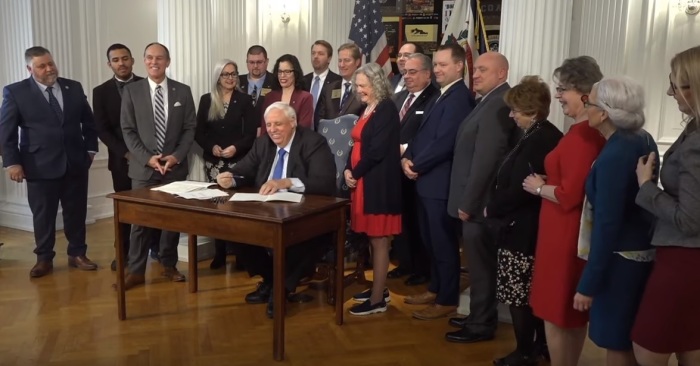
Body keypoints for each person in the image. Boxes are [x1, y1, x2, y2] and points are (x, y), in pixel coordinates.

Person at [216, 102, 336, 318]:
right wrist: (229, 178)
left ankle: (281, 290)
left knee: (303, 238)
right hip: (266, 212)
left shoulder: (313, 143)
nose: (272, 129)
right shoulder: (263, 143)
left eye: (278, 124)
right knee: (235, 230)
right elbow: (243, 171)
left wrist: (287, 182)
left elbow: (324, 182)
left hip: (305, 213)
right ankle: (272, 281)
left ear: (293, 123)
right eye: (269, 124)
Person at [523, 56, 606, 366]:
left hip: (564, 233)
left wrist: (538, 187)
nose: (557, 96)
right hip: (566, 231)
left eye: (562, 90)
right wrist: (550, 181)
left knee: (556, 312)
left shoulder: (583, 136)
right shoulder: (584, 132)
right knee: (568, 314)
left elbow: (571, 195)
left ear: (583, 92)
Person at [572, 77, 657, 366]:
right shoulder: (640, 138)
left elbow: (607, 224)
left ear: (604, 113)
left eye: (589, 102)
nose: (586, 107)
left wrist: (588, 284)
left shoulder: (615, 154)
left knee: (615, 338)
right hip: (638, 250)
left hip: (620, 259)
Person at [483, 76, 563, 364]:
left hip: (524, 228)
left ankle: (525, 351)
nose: (511, 114)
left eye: (515, 110)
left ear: (530, 110)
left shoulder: (542, 137)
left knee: (519, 294)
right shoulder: (535, 134)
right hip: (521, 225)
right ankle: (537, 346)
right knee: (523, 292)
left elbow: (522, 186)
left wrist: (492, 208)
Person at [0, 45, 99, 278]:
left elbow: (89, 122)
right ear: (29, 68)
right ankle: (44, 258)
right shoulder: (15, 92)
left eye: (50, 63)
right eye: (41, 66)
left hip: (75, 162)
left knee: (76, 212)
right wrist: (12, 163)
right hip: (38, 164)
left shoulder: (73, 87)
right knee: (43, 215)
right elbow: (6, 132)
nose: (48, 69)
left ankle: (77, 254)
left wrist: (91, 149)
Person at [632, 45, 700, 366]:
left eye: (675, 85)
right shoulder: (694, 130)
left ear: (694, 87)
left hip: (684, 260)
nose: (670, 93)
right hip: (687, 259)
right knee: (690, 345)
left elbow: (689, 219)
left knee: (649, 346)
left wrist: (646, 187)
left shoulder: (697, 142)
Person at [445, 51, 518, 342]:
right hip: (475, 202)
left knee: (482, 266)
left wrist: (469, 202)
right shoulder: (488, 100)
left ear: (502, 73)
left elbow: (487, 159)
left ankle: (482, 324)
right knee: (476, 265)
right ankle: (476, 316)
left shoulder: (501, 103)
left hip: (480, 203)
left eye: (483, 71)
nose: (475, 75)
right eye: (475, 71)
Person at [401, 43, 476, 320]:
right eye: (436, 64)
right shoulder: (441, 95)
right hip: (425, 181)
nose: (438, 69)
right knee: (431, 240)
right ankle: (436, 287)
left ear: (459, 66)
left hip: (440, 184)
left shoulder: (459, 98)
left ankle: (446, 299)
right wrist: (406, 158)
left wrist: (415, 165)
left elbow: (445, 142)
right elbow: (421, 135)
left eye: (443, 64)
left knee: (443, 243)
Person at [119, 42, 197, 289]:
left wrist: (176, 156)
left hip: (174, 168)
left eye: (160, 58)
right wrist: (147, 158)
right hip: (144, 169)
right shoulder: (132, 91)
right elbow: (128, 131)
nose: (155, 62)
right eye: (150, 58)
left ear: (168, 61)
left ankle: (168, 265)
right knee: (140, 221)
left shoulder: (182, 92)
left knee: (173, 221)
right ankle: (136, 271)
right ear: (144, 61)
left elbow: (189, 129)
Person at [343, 63, 402, 315]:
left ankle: (377, 299)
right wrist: (347, 169)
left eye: (363, 85)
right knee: (370, 238)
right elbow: (354, 143)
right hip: (362, 183)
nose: (359, 90)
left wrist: (354, 172)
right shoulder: (367, 108)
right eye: (357, 86)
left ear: (376, 83)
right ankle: (378, 288)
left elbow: (377, 150)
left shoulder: (386, 108)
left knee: (379, 240)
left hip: (377, 185)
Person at [93, 43, 157, 272]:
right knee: (126, 210)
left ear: (132, 60)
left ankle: (155, 249)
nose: (121, 63)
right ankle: (123, 252)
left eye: (125, 58)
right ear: (109, 64)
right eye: (116, 60)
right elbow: (102, 130)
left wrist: (145, 154)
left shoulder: (147, 84)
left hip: (151, 160)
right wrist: (127, 153)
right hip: (122, 161)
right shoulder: (100, 92)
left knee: (153, 207)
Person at [195, 59, 257, 269]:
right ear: (218, 77)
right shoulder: (206, 100)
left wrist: (235, 148)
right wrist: (211, 146)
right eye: (226, 74)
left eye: (233, 74)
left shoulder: (246, 100)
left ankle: (241, 255)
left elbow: (250, 134)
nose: (231, 78)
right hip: (214, 163)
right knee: (217, 208)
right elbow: (199, 133)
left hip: (238, 162)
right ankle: (219, 253)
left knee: (238, 209)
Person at [388, 52, 438, 286]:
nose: (407, 76)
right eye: (405, 72)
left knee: (419, 222)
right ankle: (405, 263)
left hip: (417, 170)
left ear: (428, 74)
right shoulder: (398, 99)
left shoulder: (434, 99)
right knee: (401, 220)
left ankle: (422, 268)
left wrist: (405, 153)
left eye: (413, 72)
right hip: (394, 171)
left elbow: (429, 136)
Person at [314, 42, 364, 129]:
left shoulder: (363, 89)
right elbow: (320, 120)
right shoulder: (329, 89)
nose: (342, 65)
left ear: (357, 62)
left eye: (346, 60)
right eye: (340, 60)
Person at [261, 54, 314, 131]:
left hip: (297, 142)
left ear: (295, 73)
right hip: (271, 141)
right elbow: (264, 128)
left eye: (287, 71)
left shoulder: (305, 97)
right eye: (280, 71)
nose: (282, 75)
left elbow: (304, 128)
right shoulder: (269, 97)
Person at [302, 40, 342, 108]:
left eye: (320, 54)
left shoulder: (338, 81)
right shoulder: (303, 80)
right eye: (313, 53)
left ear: (329, 58)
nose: (315, 56)